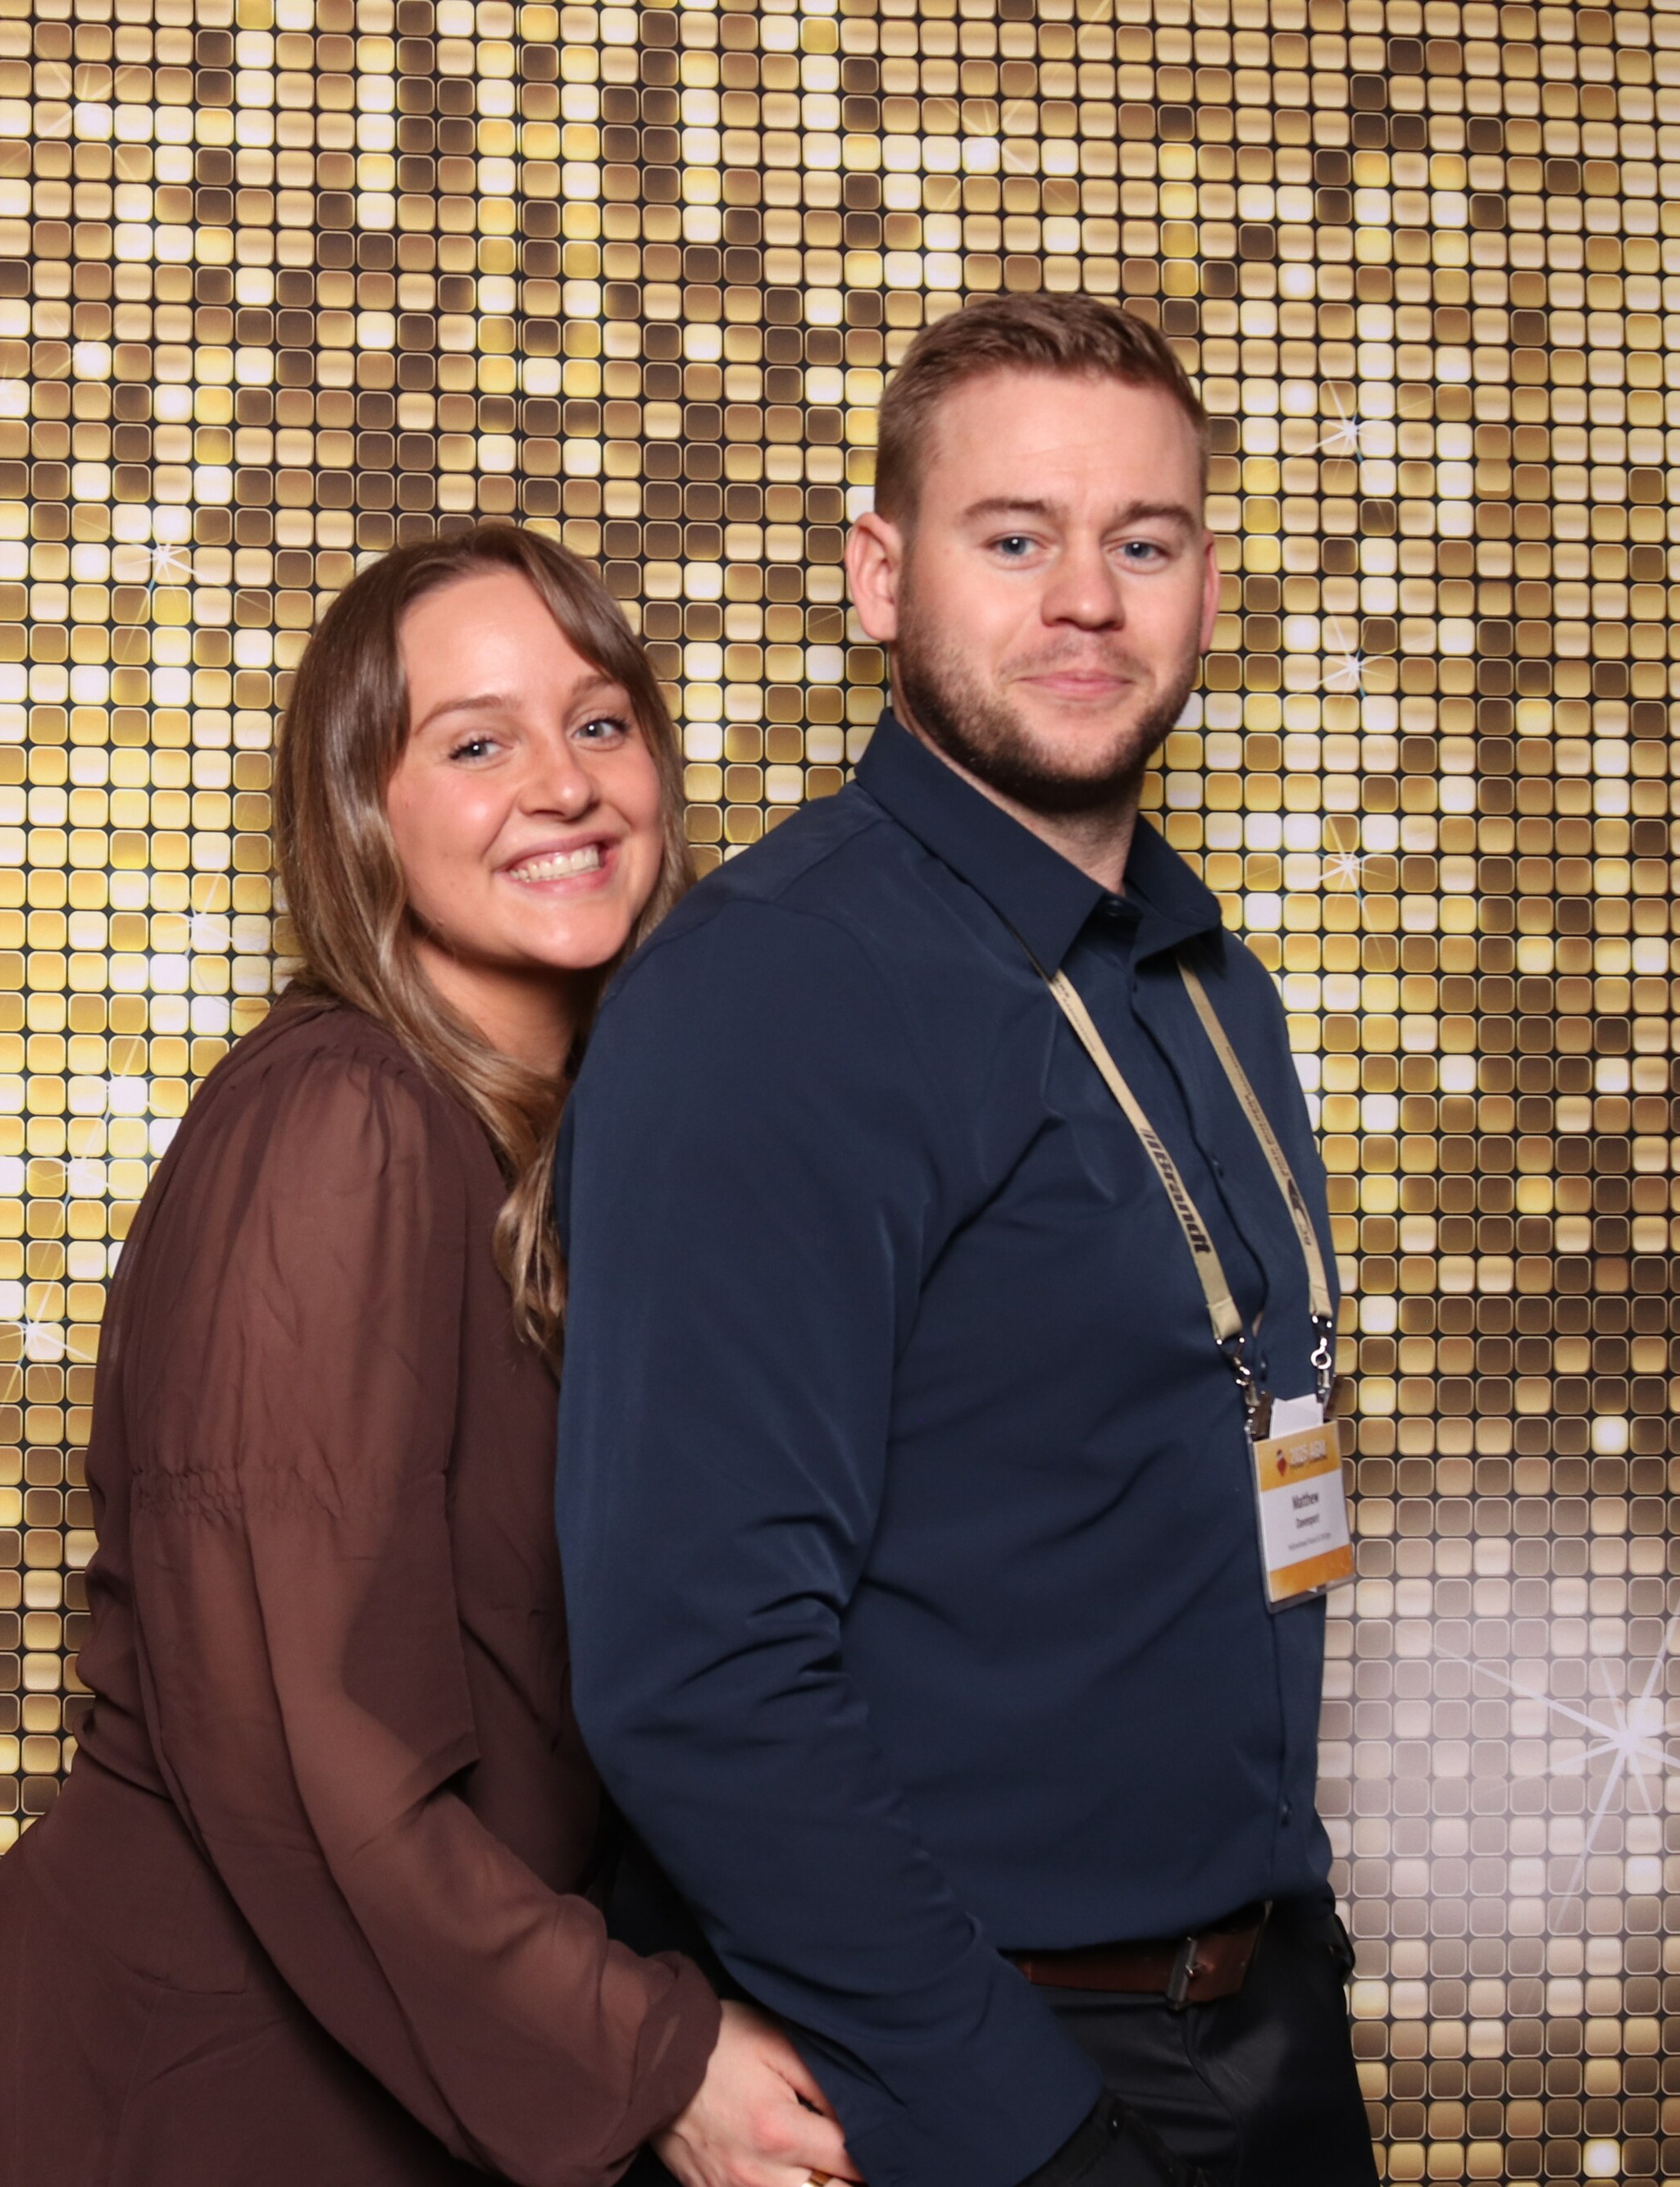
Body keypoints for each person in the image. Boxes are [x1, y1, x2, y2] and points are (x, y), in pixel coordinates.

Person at [0, 523, 859, 2187]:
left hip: (404, 2048)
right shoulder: (343, 1122)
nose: (563, 783)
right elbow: (302, 1736)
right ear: (362, 812)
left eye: (600, 721)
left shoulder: (559, 1150)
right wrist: (650, 2053)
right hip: (212, 2078)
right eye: (476, 744)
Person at [554, 297, 1380, 2187]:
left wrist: (1290, 1951)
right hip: (984, 2072)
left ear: (1205, 586)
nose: (1084, 598)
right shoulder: (776, 993)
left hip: (1259, 2017)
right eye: (1012, 537)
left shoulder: (1206, 981)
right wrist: (1017, 2123)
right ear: (879, 574)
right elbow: (694, 1668)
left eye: (1140, 543)